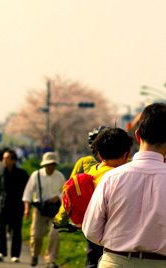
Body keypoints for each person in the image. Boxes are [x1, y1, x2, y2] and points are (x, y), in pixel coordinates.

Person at [82, 103, 166, 268]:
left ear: (137, 135)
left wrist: (116, 243)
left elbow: (91, 230)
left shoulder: (112, 177)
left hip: (115, 261)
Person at [22, 152, 65, 268]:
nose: (50, 167)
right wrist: (26, 208)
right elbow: (28, 192)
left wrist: (58, 197)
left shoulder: (60, 176)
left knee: (55, 234)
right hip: (39, 209)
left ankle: (51, 260)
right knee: (36, 235)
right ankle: (35, 254)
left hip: (54, 210)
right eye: (48, 164)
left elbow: (65, 192)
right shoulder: (36, 175)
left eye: (52, 164)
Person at [0, 149, 29, 263]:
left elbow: (27, 191)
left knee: (16, 231)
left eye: (7, 158)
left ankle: (15, 255)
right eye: (3, 158)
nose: (4, 160)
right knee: (1, 229)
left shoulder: (22, 174)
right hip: (3, 205)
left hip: (16, 205)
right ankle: (1, 252)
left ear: (13, 160)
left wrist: (26, 206)